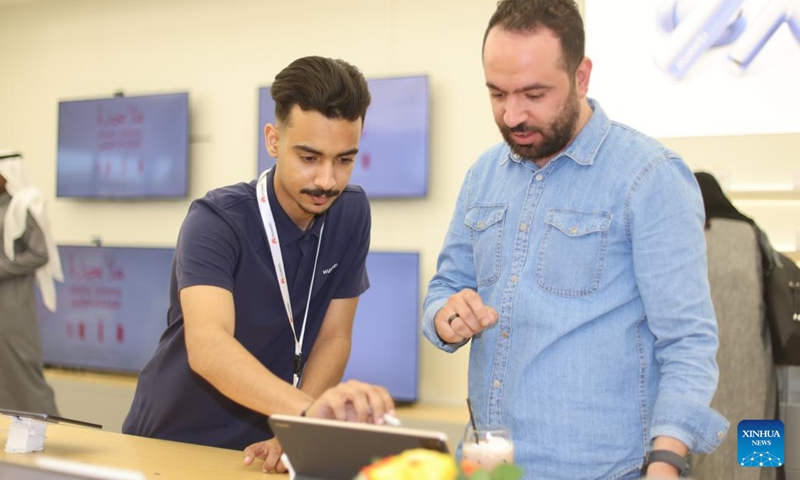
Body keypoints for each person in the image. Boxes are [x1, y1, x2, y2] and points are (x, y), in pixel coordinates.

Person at [421, 1, 728, 478]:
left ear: (582, 76)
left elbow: (687, 342)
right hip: (487, 467)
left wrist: (666, 462)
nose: (512, 114)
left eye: (534, 94)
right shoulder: (483, 175)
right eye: (497, 94)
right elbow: (444, 288)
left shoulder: (649, 177)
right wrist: (445, 316)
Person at [122, 56, 395, 473]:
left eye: (344, 159)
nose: (327, 180)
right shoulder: (215, 219)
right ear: (273, 140)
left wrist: (295, 429)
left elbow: (334, 337)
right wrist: (307, 414)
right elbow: (209, 347)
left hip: (269, 442)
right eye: (309, 157)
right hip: (173, 439)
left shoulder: (351, 211)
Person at [691, 172, 781, 480]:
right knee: (759, 447)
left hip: (700, 369)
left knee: (704, 452)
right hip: (753, 364)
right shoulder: (750, 232)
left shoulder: (683, 234)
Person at [0, 151, 63, 416]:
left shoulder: (24, 205)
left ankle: (52, 429)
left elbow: (40, 253)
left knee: (22, 365)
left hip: (12, 303)